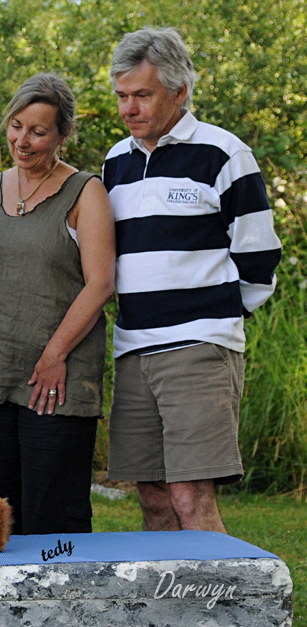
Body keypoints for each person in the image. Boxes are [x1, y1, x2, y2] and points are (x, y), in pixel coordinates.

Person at [103, 27, 282, 532]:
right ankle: (168, 607)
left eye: (142, 95)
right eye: (121, 96)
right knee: (153, 497)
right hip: (133, 348)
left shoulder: (224, 154)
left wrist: (215, 317)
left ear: (179, 92)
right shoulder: (115, 162)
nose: (128, 108)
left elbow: (260, 258)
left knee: (189, 496)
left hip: (199, 347)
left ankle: (221, 606)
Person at [0, 73, 115, 535]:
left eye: (38, 131)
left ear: (62, 135)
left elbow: (100, 284)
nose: (23, 140)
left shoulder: (86, 192)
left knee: (52, 516)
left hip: (54, 381)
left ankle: (67, 606)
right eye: (16, 125)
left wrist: (55, 355)